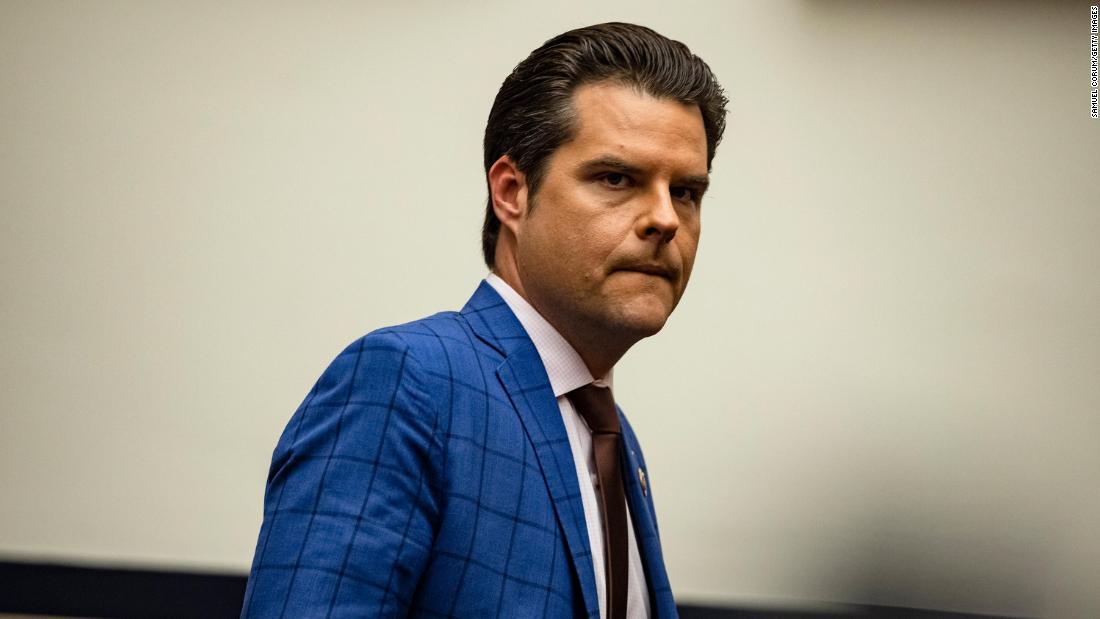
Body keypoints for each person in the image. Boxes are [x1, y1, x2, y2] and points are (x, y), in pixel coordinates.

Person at [241, 21, 727, 619]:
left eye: (686, 192)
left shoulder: (613, 436)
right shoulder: (407, 383)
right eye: (616, 179)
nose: (666, 219)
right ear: (512, 192)